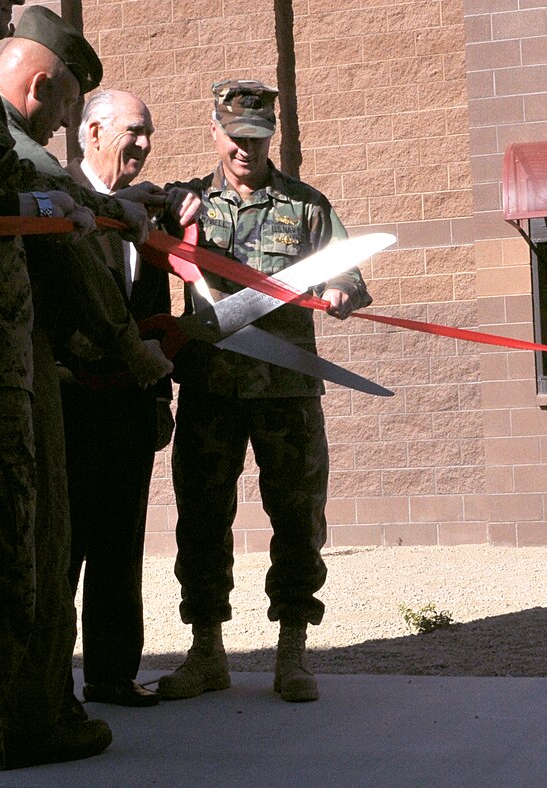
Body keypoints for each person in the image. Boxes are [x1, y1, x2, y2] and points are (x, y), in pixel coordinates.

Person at [0, 5, 172, 770]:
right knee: (39, 546)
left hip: (83, 396)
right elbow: (71, 265)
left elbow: (69, 208)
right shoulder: (20, 152)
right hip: (33, 379)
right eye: (67, 111)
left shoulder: (5, 147)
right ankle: (36, 710)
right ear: (40, 92)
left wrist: (115, 212)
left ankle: (64, 690)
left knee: (94, 548)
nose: (62, 128)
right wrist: (138, 358)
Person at [159, 78, 371, 704]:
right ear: (214, 132)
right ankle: (206, 651)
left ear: (272, 136)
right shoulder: (187, 203)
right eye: (234, 137)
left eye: (257, 138)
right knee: (200, 518)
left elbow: (349, 276)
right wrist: (171, 217)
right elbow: (148, 247)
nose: (245, 150)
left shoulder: (306, 206)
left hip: (287, 394)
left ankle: (293, 650)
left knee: (298, 519)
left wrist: (341, 294)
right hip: (211, 389)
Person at [61, 89, 172, 709]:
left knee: (120, 544)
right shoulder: (62, 199)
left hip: (129, 405)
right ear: (95, 132)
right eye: (135, 131)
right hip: (70, 402)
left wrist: (158, 401)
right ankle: (50, 685)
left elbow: (153, 312)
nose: (145, 144)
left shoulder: (146, 210)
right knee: (62, 547)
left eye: (149, 132)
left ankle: (110, 674)